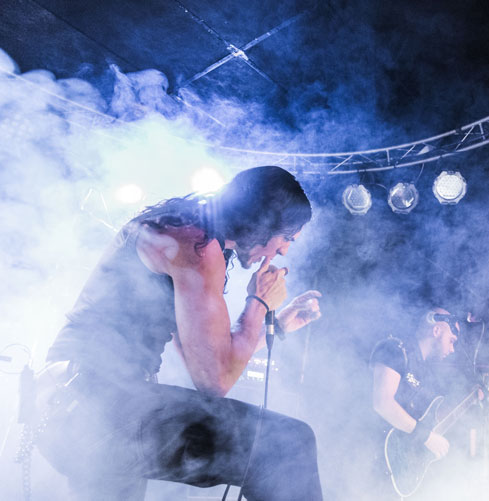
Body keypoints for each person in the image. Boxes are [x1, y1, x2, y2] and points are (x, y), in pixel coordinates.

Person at [31, 166, 324, 500]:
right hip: (94, 401)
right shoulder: (195, 244)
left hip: (81, 405)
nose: (284, 250)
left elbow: (200, 355)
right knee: (285, 443)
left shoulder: (185, 230)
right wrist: (258, 302)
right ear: (264, 221)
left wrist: (278, 326)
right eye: (287, 237)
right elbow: (214, 381)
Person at [369, 307, 460, 494]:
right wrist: (426, 436)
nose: (452, 349)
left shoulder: (425, 372)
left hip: (393, 468)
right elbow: (382, 403)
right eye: (451, 341)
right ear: (436, 331)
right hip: (369, 457)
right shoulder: (395, 349)